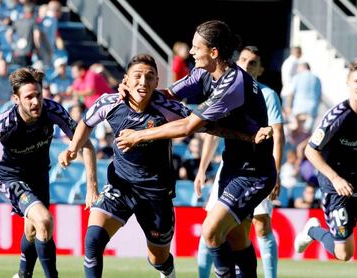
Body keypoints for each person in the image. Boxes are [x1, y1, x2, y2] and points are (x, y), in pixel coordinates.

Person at [116, 20, 276, 278]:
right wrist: (133, 90)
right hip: (233, 166)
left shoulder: (232, 84)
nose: (190, 52)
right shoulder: (204, 73)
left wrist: (139, 136)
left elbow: (189, 126)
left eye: (195, 47)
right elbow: (167, 95)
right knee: (236, 239)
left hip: (255, 172)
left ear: (214, 52)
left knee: (211, 232)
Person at [58, 54, 192, 278]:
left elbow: (199, 123)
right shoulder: (110, 103)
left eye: (149, 77)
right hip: (121, 185)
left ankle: (167, 270)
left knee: (157, 259)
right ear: (126, 81)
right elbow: (86, 122)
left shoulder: (166, 108)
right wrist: (72, 148)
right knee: (93, 241)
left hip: (156, 193)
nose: (143, 82)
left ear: (157, 82)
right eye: (137, 76)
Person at [0, 67, 97, 278]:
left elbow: (86, 144)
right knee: (44, 221)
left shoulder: (52, 111)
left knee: (33, 231)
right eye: (29, 97)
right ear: (16, 99)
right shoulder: (4, 124)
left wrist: (91, 187)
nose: (36, 102)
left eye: (38, 95)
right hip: (9, 177)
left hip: (39, 175)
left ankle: (22, 275)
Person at [194, 45, 285, 278]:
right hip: (230, 168)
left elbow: (277, 135)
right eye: (243, 60)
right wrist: (202, 169)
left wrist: (276, 173)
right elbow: (213, 131)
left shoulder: (267, 95)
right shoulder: (226, 89)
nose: (246, 65)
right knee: (219, 228)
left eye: (252, 62)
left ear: (261, 69)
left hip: (257, 169)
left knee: (260, 224)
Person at [294, 62, 357, 278]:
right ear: (348, 83)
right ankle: (313, 230)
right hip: (335, 186)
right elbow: (311, 151)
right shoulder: (339, 116)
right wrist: (336, 178)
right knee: (344, 253)